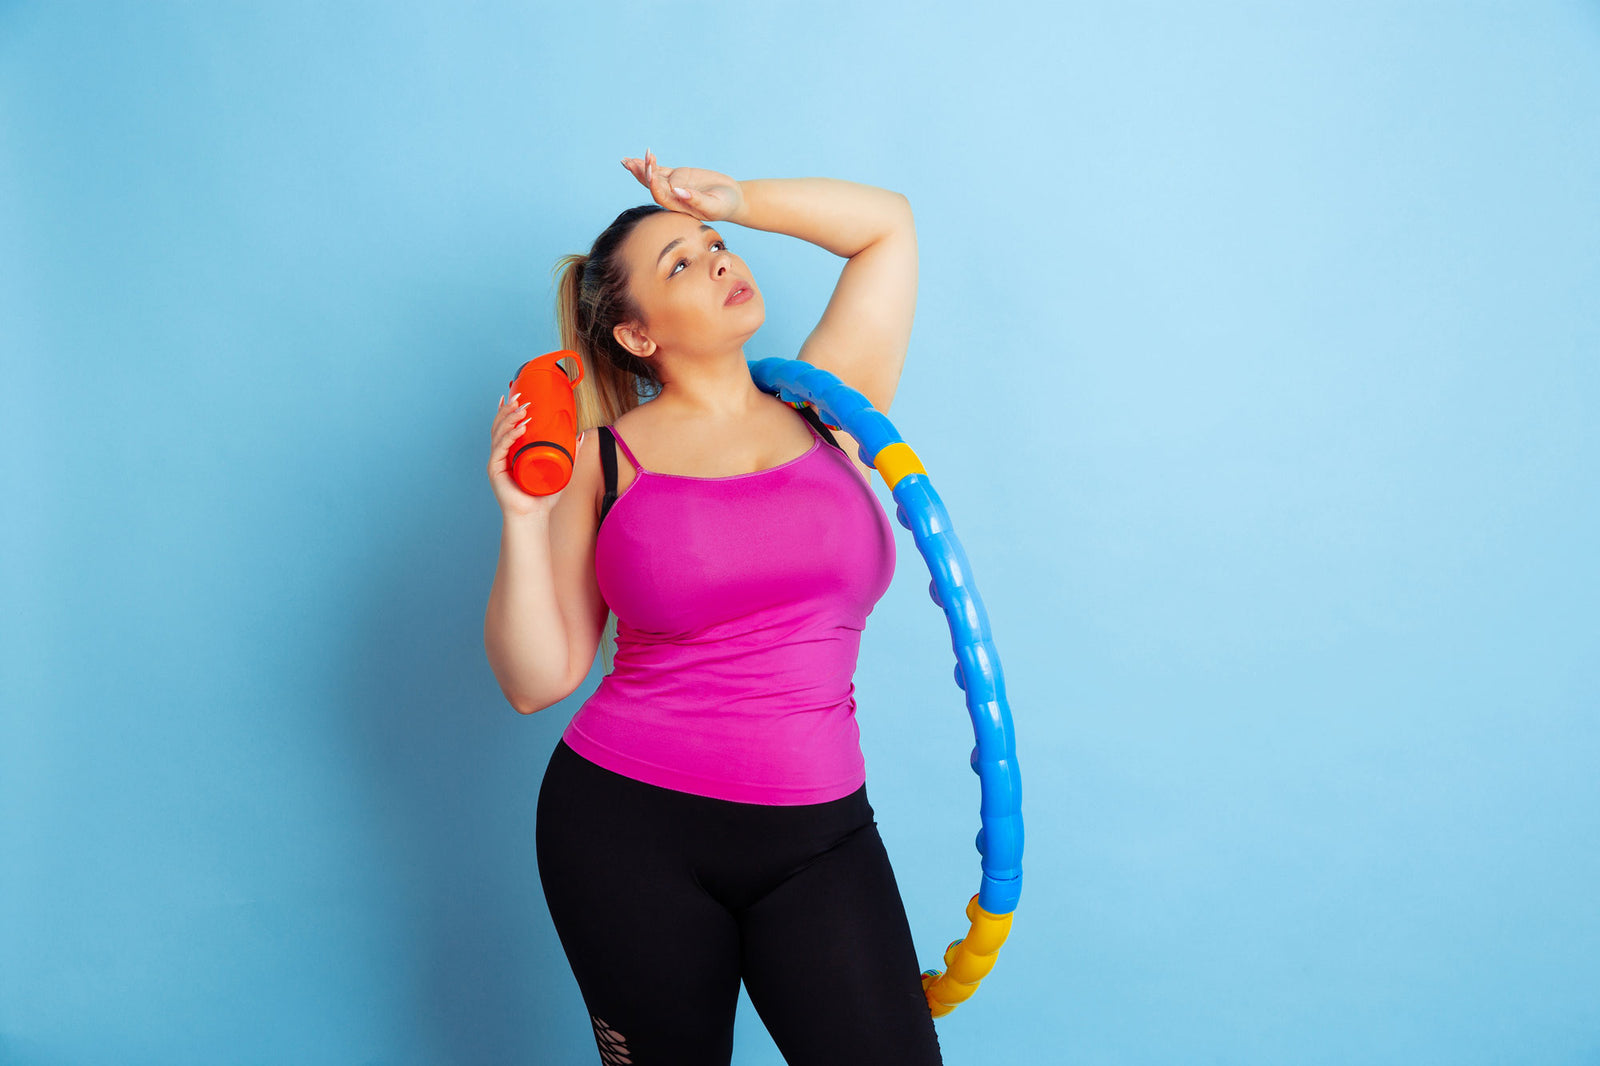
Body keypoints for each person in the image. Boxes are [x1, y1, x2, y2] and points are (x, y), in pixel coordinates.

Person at [483, 150, 935, 1065]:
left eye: (716, 245)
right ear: (638, 337)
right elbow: (539, 681)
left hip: (820, 833)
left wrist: (738, 198)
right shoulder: (600, 460)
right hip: (625, 827)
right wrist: (523, 521)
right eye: (681, 264)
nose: (722, 259)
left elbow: (888, 224)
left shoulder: (831, 409)